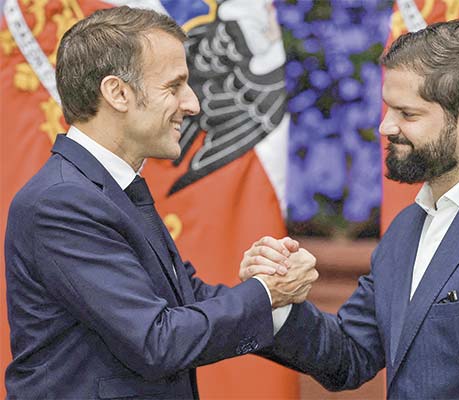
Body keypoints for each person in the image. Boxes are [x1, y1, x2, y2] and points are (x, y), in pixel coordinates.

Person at [244, 20, 459, 399]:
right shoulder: (410, 224)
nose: (385, 127)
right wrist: (277, 300)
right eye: (388, 109)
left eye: (407, 114)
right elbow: (350, 354)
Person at [3, 6, 317, 399]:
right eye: (174, 87)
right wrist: (267, 291)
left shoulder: (110, 188)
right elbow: (157, 342)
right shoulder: (60, 203)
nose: (193, 105)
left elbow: (189, 300)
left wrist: (283, 297)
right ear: (118, 92)